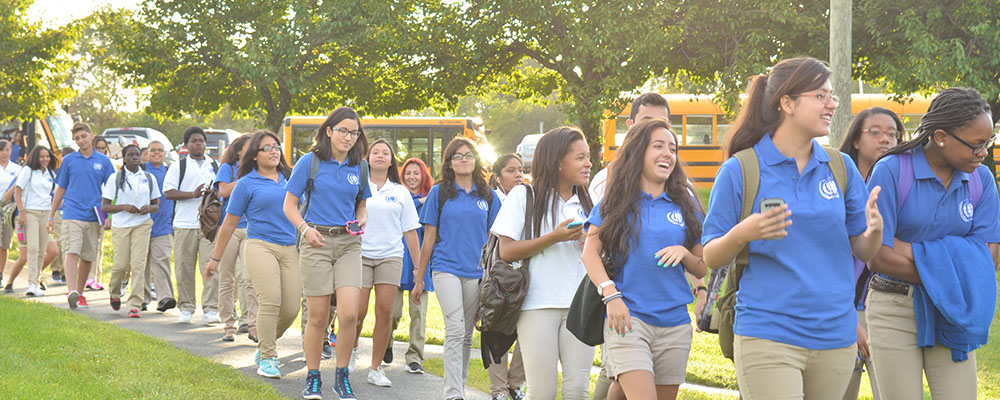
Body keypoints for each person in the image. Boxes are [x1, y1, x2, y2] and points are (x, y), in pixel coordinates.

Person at [701, 57, 883, 400]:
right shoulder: (741, 169)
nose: (832, 103)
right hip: (768, 333)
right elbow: (711, 255)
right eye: (820, 95)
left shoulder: (840, 166)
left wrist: (873, 231)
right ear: (787, 103)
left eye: (832, 96)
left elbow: (864, 252)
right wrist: (746, 232)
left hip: (835, 336)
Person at [865, 87, 999, 400]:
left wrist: (910, 249)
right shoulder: (892, 170)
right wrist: (954, 265)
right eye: (976, 144)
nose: (983, 153)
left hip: (954, 309)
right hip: (893, 307)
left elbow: (987, 259)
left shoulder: (981, 180)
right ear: (940, 137)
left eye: (988, 143)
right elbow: (878, 256)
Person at [581, 119, 706, 400]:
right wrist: (611, 296)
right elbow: (590, 253)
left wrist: (684, 253)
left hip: (675, 324)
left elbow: (702, 266)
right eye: (658, 146)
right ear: (639, 152)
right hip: (629, 317)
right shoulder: (615, 201)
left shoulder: (685, 204)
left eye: (672, 149)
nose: (667, 154)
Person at [492, 128, 595, 400]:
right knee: (542, 392)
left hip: (581, 306)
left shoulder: (588, 201)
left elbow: (600, 256)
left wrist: (591, 243)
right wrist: (555, 237)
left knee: (577, 391)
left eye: (589, 157)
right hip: (537, 306)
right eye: (581, 157)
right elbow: (507, 251)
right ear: (558, 161)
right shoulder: (524, 196)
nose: (589, 164)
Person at [283, 107, 371, 400]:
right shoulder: (309, 162)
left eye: (354, 132)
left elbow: (361, 204)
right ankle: (313, 377)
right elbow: (289, 206)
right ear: (329, 131)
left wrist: (362, 218)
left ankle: (341, 377)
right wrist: (306, 230)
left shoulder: (360, 166)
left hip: (348, 243)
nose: (349, 137)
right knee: (318, 317)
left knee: (349, 314)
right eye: (343, 130)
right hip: (316, 242)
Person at [411, 137, 500, 400]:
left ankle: (458, 388)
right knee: (455, 328)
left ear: (476, 160)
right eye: (457, 156)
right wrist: (419, 278)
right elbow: (428, 238)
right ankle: (452, 394)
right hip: (445, 267)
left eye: (468, 155)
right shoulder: (439, 193)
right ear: (449, 162)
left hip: (477, 273)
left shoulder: (488, 196)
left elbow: (495, 240)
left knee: (466, 334)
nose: (464, 159)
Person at [206, 130, 299, 379]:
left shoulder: (291, 179)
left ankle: (266, 342)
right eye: (267, 148)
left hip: (291, 247)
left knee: (291, 308)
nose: (274, 151)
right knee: (270, 299)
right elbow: (228, 224)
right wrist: (215, 259)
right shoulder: (246, 183)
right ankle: (268, 357)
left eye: (276, 146)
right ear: (254, 156)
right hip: (259, 244)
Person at [837, 107, 904, 400]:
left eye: (892, 134)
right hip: (843, 307)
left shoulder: (905, 185)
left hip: (888, 308)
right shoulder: (836, 184)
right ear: (855, 139)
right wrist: (848, 317)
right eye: (875, 132)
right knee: (841, 391)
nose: (885, 140)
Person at [352, 139, 421, 387]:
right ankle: (351, 350)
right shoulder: (358, 186)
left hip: (391, 256)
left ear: (392, 161)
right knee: (356, 312)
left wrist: (418, 269)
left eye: (385, 153)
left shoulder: (400, 192)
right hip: (359, 254)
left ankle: (376, 368)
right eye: (375, 152)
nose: (380, 156)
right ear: (367, 158)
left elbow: (410, 232)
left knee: (385, 313)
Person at [48, 122, 115, 309]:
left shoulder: (104, 161)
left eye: (83, 136)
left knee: (87, 256)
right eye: (77, 138)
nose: (81, 141)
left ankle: (80, 293)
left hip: (94, 215)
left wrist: (110, 216)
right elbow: (60, 188)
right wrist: (52, 215)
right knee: (72, 251)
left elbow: (112, 189)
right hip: (72, 212)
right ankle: (71, 290)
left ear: (91, 135)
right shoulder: (69, 161)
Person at [163, 126, 221, 324]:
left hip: (209, 225)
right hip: (184, 223)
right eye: (194, 141)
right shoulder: (178, 166)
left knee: (210, 266)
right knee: (184, 266)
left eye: (201, 141)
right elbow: (168, 192)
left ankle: (211, 308)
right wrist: (192, 195)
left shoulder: (215, 165)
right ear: (186, 145)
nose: (198, 144)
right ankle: (186, 307)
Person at [485, 153, 527, 400]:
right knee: (496, 330)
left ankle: (515, 383)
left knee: (527, 330)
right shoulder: (494, 199)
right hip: (496, 273)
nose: (518, 175)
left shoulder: (530, 198)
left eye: (520, 170)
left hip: (523, 275)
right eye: (511, 171)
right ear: (498, 177)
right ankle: (499, 389)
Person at [101, 145, 160, 318]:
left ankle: (135, 303)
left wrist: (148, 207)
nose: (135, 157)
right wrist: (124, 207)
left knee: (138, 265)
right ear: (124, 158)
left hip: (142, 224)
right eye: (130, 155)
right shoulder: (116, 177)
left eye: (137, 155)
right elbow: (105, 205)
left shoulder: (148, 178)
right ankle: (114, 292)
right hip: (121, 225)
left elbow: (157, 204)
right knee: (121, 265)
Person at [389, 157, 434, 375]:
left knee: (419, 313)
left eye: (416, 173)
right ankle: (386, 341)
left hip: (421, 262)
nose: (412, 177)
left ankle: (415, 357)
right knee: (392, 312)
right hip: (397, 258)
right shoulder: (396, 197)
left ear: (423, 175)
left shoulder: (432, 199)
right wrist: (418, 202)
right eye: (408, 173)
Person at [215, 134, 260, 342]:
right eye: (251, 147)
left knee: (249, 278)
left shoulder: (259, 169)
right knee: (227, 278)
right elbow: (223, 191)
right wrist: (245, 180)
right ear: (240, 150)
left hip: (251, 229)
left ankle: (252, 324)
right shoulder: (228, 168)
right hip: (230, 228)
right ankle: (228, 325)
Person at [14, 146, 59, 297]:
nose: (45, 159)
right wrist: (21, 213)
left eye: (47, 156)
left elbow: (55, 194)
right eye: (42, 157)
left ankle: (37, 281)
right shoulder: (28, 171)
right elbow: (17, 192)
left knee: (41, 249)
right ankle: (31, 284)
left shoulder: (51, 173)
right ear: (35, 157)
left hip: (46, 213)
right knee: (32, 248)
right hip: (30, 212)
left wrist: (51, 217)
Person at [143, 141, 178, 313]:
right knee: (141, 263)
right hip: (141, 224)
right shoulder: (141, 171)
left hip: (164, 225)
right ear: (147, 153)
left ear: (164, 154)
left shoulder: (171, 172)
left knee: (162, 260)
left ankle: (164, 297)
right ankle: (142, 297)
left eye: (160, 151)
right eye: (153, 150)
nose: (156, 153)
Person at [86, 134, 113, 291]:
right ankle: (86, 276)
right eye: (98, 148)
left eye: (104, 148)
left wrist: (110, 214)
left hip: (102, 209)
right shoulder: (87, 162)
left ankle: (95, 277)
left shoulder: (108, 164)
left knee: (98, 245)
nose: (101, 151)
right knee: (87, 245)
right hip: (86, 208)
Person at [0, 139, 23, 292]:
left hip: (8, 210)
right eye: (2, 150)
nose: (4, 153)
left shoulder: (18, 169)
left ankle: (1, 274)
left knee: (4, 244)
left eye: (7, 150)